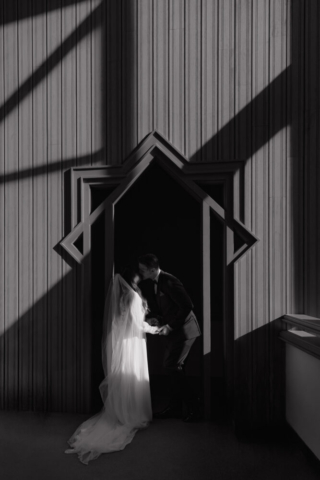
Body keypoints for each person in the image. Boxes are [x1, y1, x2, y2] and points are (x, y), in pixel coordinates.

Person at [65, 267, 159, 464]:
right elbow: (137, 324)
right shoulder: (133, 296)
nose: (140, 277)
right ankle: (130, 413)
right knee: (130, 374)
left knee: (126, 376)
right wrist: (155, 328)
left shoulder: (124, 296)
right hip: (132, 342)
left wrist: (146, 321)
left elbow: (127, 320)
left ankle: (124, 409)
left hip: (123, 340)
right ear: (131, 280)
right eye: (137, 275)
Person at [138, 253, 202, 422]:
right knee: (175, 369)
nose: (141, 273)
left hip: (185, 332)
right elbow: (170, 308)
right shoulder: (156, 282)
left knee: (171, 367)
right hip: (176, 333)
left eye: (143, 270)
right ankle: (175, 408)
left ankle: (195, 407)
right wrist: (157, 319)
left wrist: (170, 326)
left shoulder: (169, 281)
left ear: (153, 269)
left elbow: (187, 305)